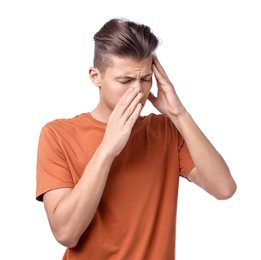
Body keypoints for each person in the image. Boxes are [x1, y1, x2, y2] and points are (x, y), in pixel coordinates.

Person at [36, 18, 237, 260]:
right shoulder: (57, 134)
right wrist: (107, 148)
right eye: (125, 80)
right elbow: (66, 233)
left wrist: (179, 114)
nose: (138, 91)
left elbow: (224, 188)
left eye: (145, 79)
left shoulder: (166, 131)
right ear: (95, 76)